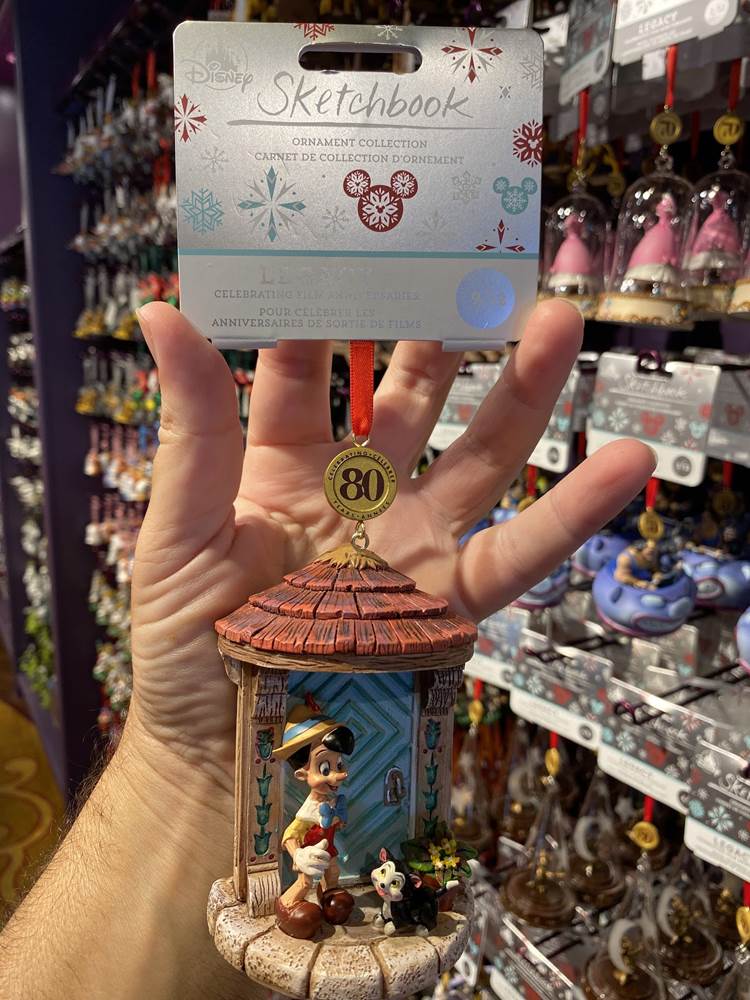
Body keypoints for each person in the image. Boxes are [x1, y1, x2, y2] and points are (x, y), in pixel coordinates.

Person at [0, 299, 655, 999]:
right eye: (324, 765)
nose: (334, 773)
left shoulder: (350, 788)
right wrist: (194, 773)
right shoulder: (303, 792)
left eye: (334, 764)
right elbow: (290, 834)